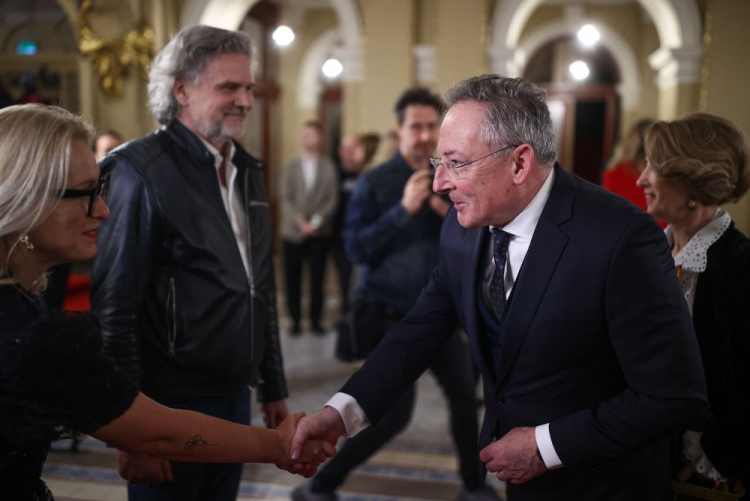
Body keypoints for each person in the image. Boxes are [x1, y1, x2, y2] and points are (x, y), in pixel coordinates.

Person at [290, 75, 708, 501]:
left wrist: (545, 448)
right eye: (439, 163)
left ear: (520, 163)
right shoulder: (462, 224)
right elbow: (418, 331)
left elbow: (673, 397)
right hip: (517, 482)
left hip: (603, 485)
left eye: (456, 163)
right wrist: (340, 414)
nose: (439, 183)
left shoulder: (622, 237)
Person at [0, 104, 333, 501]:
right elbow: (155, 431)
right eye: (86, 193)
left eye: (100, 191)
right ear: (24, 200)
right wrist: (280, 446)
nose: (103, 210)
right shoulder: (24, 334)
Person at [90, 26, 291, 500]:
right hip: (168, 401)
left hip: (235, 391)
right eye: (228, 87)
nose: (245, 99)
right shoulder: (138, 170)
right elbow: (115, 310)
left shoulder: (248, 171)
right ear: (181, 89)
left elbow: (258, 286)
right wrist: (129, 427)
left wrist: (273, 386)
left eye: (248, 88)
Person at [293, 88, 497, 501]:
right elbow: (354, 249)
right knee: (390, 418)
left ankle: (474, 487)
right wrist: (401, 211)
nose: (424, 135)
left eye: (431, 127)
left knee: (466, 403)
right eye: (415, 126)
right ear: (399, 129)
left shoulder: (453, 175)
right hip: (393, 319)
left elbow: (478, 238)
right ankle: (320, 486)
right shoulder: (375, 182)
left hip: (443, 317)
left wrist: (450, 216)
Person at [637, 113, 750, 494]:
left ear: (690, 179)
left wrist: (713, 461)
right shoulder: (653, 252)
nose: (641, 179)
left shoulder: (739, 266)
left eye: (653, 166)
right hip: (647, 461)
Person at [279, 121, 339, 334]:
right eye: (305, 135)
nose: (308, 139)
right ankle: (294, 320)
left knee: (317, 279)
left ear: (319, 138)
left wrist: (315, 222)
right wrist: (300, 222)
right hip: (293, 232)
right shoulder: (289, 166)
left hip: (319, 233)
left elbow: (332, 198)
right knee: (292, 279)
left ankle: (315, 320)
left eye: (312, 135)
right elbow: (285, 198)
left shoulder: (329, 166)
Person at [330, 133, 379, 310]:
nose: (349, 154)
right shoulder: (334, 172)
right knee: (344, 278)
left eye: (353, 149)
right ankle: (347, 312)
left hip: (362, 236)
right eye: (345, 149)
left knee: (359, 279)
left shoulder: (369, 177)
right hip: (338, 235)